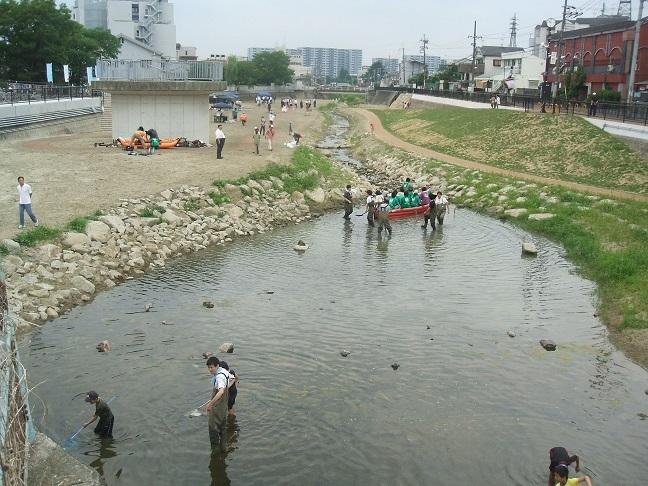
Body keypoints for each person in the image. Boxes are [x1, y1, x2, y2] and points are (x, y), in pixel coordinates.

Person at [203, 356, 232, 452]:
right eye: (209, 367)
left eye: (211, 367)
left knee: (213, 430)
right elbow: (232, 378)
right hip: (223, 407)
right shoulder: (224, 371)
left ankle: (215, 455)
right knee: (223, 430)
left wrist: (210, 404)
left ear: (217, 366)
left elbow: (221, 392)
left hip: (218, 407)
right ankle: (224, 450)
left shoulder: (219, 377)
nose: (210, 370)